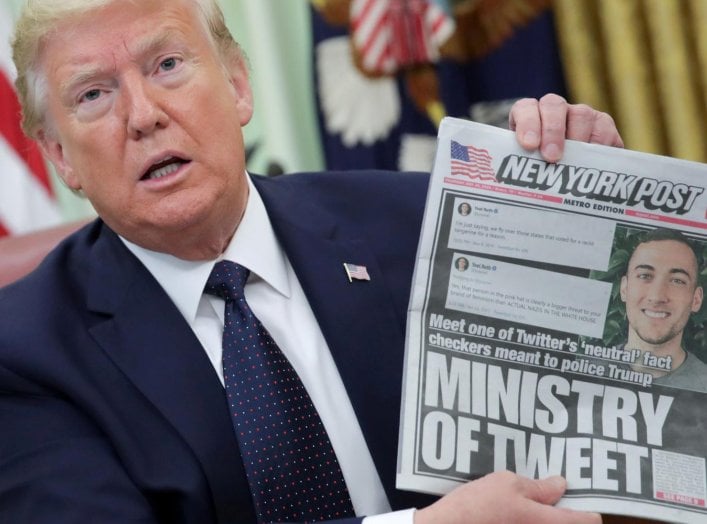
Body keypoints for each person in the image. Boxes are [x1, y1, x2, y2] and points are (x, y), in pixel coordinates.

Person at [0, 0, 623, 522]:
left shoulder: (426, 226)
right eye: (93, 95)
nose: (143, 116)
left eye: (166, 64)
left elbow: (605, 400)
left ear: (238, 86)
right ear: (60, 157)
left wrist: (589, 214)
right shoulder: (24, 354)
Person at [620, 229, 707, 392]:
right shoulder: (586, 367)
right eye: (645, 276)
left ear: (696, 299)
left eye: (677, 281)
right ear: (624, 289)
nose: (657, 296)